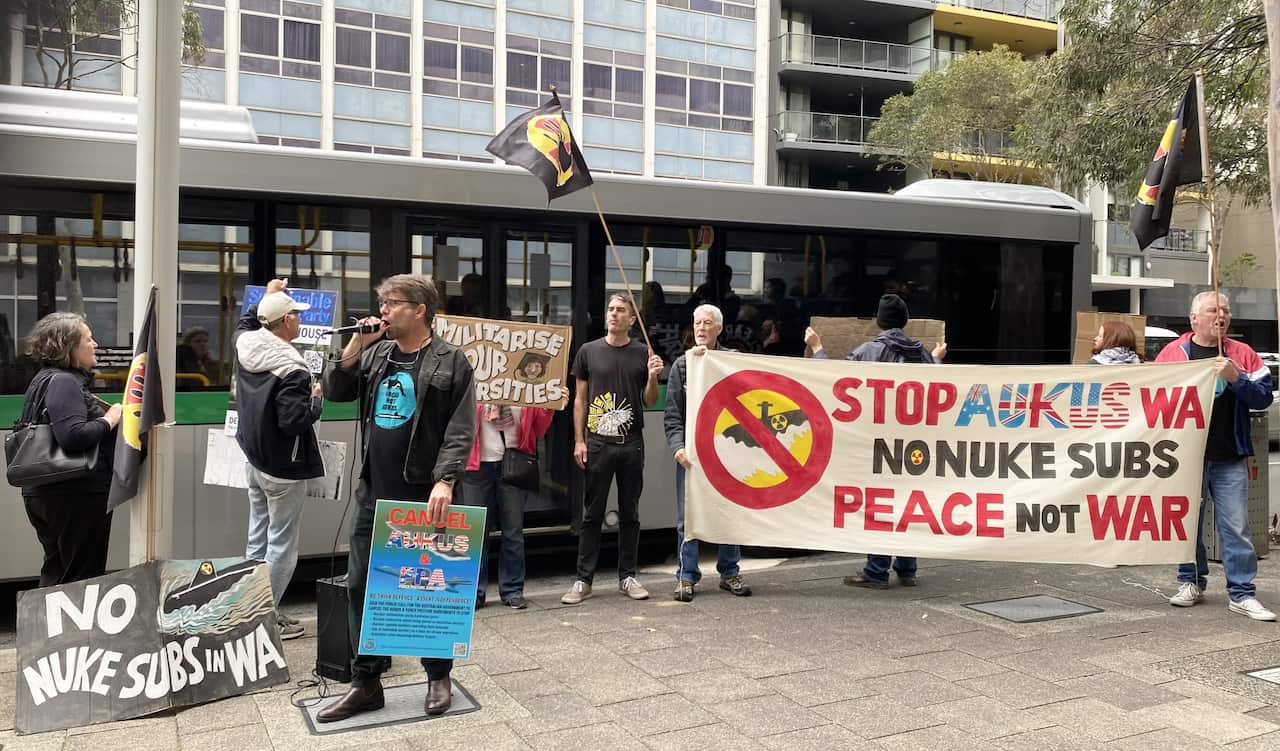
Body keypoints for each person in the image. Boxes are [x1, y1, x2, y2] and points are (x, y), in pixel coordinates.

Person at [318, 273, 476, 721]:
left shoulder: (450, 361)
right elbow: (336, 390)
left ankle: (438, 676)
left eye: (392, 303)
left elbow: (460, 429)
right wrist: (356, 346)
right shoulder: (378, 354)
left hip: (425, 496)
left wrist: (445, 480)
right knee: (360, 586)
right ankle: (365, 683)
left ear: (420, 309)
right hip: (375, 494)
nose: (383, 310)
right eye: (382, 303)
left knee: (431, 588)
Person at [805, 294, 944, 589]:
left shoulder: (868, 351)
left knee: (881, 504)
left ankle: (876, 570)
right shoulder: (921, 355)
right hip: (914, 445)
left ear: (879, 321)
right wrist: (937, 359)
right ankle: (907, 568)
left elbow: (833, 381)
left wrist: (817, 349)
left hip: (878, 444)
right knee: (908, 502)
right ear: (905, 322)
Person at [1155, 291, 1275, 621]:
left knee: (1235, 526)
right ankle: (1190, 581)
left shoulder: (1244, 355)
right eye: (1212, 310)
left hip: (1229, 453)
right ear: (1194, 318)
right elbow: (1153, 398)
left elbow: (1263, 397)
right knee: (1187, 524)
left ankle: (1241, 593)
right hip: (1185, 455)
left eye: (1225, 310)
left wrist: (1236, 379)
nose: (1220, 315)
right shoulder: (1172, 354)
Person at [234, 279, 324, 640]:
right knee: (282, 545)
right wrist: (316, 401)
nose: (300, 322)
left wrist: (267, 295)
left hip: (254, 461)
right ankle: (264, 619)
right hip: (283, 470)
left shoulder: (246, 343)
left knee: (257, 540)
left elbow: (245, 322)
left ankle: (247, 611)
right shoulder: (293, 367)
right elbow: (292, 422)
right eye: (296, 317)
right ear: (286, 321)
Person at [561, 293, 663, 605]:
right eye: (610, 309)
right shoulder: (588, 351)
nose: (613, 314)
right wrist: (579, 440)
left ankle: (627, 576)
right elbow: (580, 398)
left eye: (621, 311)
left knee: (630, 513)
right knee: (592, 514)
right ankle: (583, 580)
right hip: (597, 442)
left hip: (631, 442)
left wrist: (654, 377)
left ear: (633, 320)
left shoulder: (643, 353)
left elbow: (649, 401)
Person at [19, 313, 122, 587]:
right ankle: (77, 633)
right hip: (75, 495)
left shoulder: (42, 380)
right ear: (70, 347)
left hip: (46, 492)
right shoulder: (64, 382)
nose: (96, 344)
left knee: (58, 573)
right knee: (81, 580)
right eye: (88, 339)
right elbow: (73, 436)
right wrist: (110, 419)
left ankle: (44, 630)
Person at [664, 304, 751, 602]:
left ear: (719, 329)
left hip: (728, 454)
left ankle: (729, 573)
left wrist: (718, 362)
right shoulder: (681, 366)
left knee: (729, 513)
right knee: (686, 518)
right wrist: (677, 447)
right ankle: (686, 577)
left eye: (707, 323)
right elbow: (672, 415)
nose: (701, 328)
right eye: (697, 323)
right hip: (691, 457)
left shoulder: (731, 361)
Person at [464, 403, 553, 609]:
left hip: (514, 463)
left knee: (513, 530)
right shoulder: (475, 381)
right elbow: (459, 419)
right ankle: (474, 591)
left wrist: (550, 405)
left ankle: (512, 590)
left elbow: (539, 429)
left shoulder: (526, 389)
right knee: (475, 533)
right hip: (477, 466)